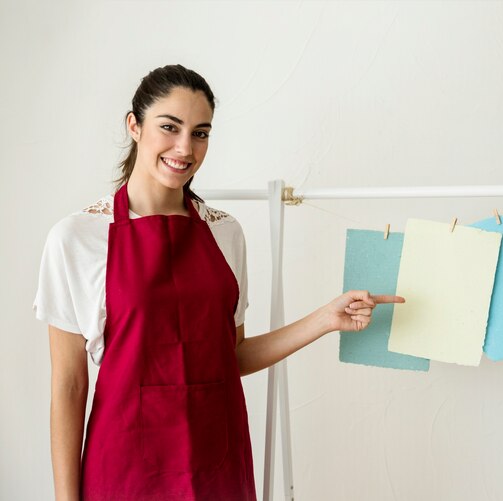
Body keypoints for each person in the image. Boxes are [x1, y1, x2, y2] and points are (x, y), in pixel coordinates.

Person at [33, 64, 405, 501]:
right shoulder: (77, 238)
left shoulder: (224, 232)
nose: (184, 147)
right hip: (124, 470)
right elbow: (70, 385)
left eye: (201, 133)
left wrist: (326, 318)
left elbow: (232, 356)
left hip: (218, 464)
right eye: (169, 127)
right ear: (134, 125)